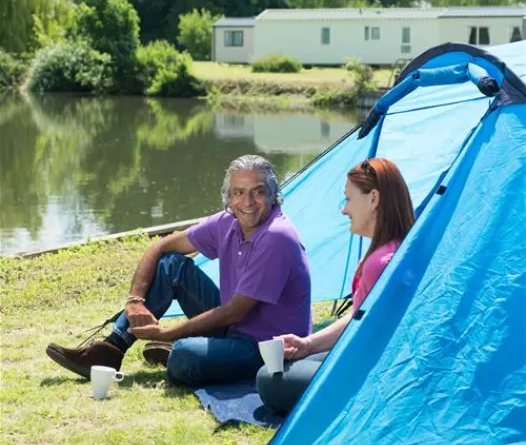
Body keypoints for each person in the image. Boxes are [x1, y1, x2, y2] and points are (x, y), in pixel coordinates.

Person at [46, 155, 312, 387]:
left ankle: (175, 350)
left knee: (185, 355)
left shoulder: (276, 236)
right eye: (239, 192)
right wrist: (135, 301)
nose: (248, 201)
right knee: (172, 265)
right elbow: (160, 246)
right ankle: (111, 349)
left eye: (258, 191)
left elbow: (235, 311)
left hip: (267, 347)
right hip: (233, 329)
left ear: (273, 194)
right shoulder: (228, 221)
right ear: (229, 197)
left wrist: (168, 333)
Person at [256, 157, 414, 413]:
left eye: (348, 199)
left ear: (373, 198)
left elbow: (373, 339)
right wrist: (308, 344)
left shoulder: (381, 263)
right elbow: (359, 316)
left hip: (371, 374)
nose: (344, 210)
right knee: (289, 364)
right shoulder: (394, 250)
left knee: (269, 379)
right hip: (369, 360)